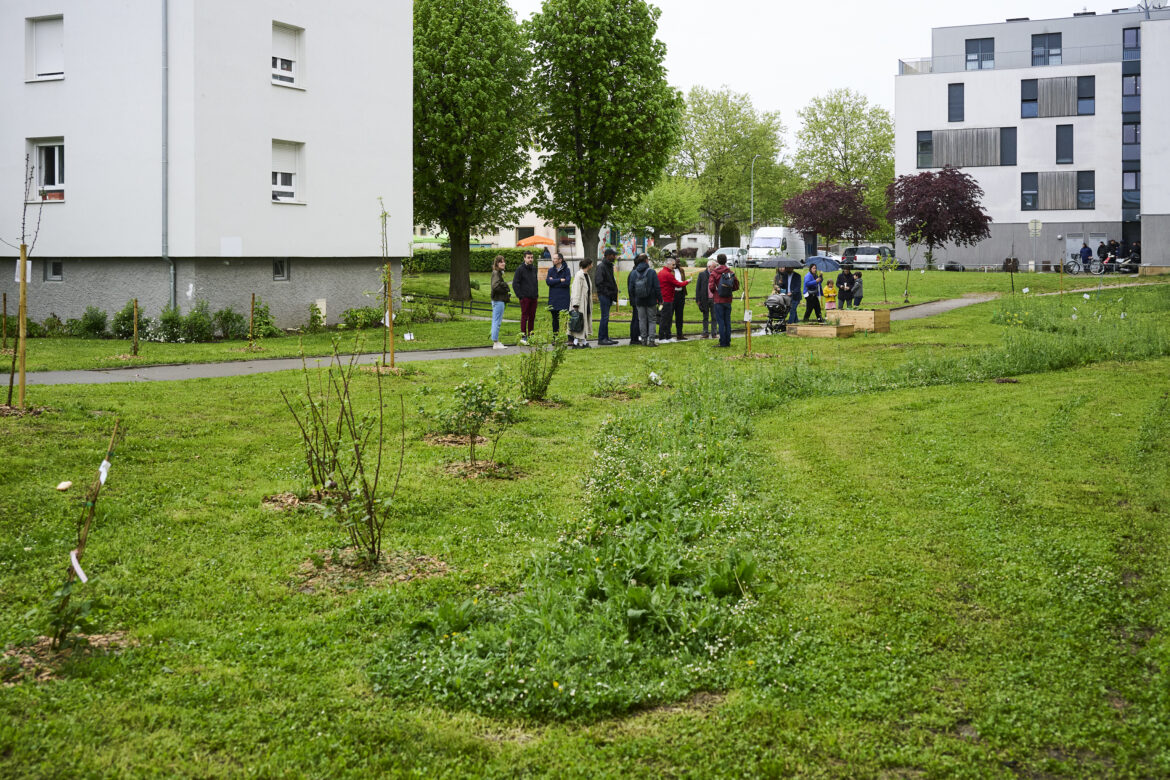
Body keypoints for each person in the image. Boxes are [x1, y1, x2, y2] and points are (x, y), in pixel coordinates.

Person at [629, 253, 661, 346]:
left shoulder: (634, 273)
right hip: (651, 300)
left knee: (641, 320)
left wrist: (635, 298)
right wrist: (660, 299)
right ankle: (651, 340)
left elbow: (631, 288)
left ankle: (643, 340)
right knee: (652, 320)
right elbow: (657, 287)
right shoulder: (651, 272)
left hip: (639, 300)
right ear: (646, 260)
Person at [657, 256, 690, 342]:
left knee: (668, 318)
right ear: (668, 264)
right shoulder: (668, 274)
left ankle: (668, 336)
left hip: (667, 298)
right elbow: (678, 284)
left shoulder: (662, 272)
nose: (674, 266)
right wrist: (687, 281)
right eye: (673, 265)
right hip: (667, 299)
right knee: (665, 318)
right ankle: (662, 337)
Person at [709, 254, 738, 347]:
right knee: (727, 321)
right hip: (728, 300)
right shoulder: (730, 272)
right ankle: (728, 341)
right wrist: (729, 290)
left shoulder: (714, 273)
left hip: (718, 300)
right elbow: (736, 285)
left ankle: (722, 342)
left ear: (717, 261)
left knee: (720, 322)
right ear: (726, 261)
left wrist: (716, 292)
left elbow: (711, 287)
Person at [512, 251, 539, 345]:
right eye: (528, 257)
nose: (530, 259)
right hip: (525, 297)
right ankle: (523, 336)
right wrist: (520, 296)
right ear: (524, 258)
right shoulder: (520, 269)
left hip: (533, 297)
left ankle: (531, 335)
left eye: (532, 257)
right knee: (525, 316)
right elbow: (515, 283)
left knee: (532, 317)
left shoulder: (534, 269)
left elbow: (535, 282)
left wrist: (536, 294)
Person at [595, 248, 620, 346]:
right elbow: (599, 282)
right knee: (604, 317)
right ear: (608, 255)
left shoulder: (608, 266)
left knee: (606, 317)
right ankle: (602, 338)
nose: (615, 257)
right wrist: (608, 293)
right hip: (604, 295)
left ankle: (605, 337)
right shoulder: (602, 267)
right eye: (613, 255)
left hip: (608, 295)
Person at [569, 259, 594, 348]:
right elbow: (576, 290)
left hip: (585, 302)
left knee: (582, 322)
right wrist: (575, 304)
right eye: (591, 264)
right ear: (588, 265)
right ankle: (579, 343)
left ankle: (582, 342)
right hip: (580, 303)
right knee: (579, 322)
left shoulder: (586, 275)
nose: (592, 265)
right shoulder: (579, 275)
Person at [545, 251, 571, 334]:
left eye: (555, 258)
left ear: (560, 260)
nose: (553, 260)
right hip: (554, 299)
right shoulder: (551, 270)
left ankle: (567, 336)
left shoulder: (567, 270)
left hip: (564, 298)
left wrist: (554, 281)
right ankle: (555, 337)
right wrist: (560, 280)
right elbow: (548, 282)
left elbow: (567, 282)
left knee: (566, 319)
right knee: (555, 319)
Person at [489, 255, 510, 350]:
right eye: (501, 262)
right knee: (497, 321)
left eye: (504, 261)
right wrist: (505, 289)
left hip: (498, 300)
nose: (503, 263)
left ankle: (495, 341)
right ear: (497, 263)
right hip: (498, 300)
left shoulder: (498, 273)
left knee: (496, 321)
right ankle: (496, 342)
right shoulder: (496, 273)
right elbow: (495, 286)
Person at [695, 259, 715, 338]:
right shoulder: (702, 274)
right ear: (709, 267)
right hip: (704, 299)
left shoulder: (715, 274)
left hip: (714, 299)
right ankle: (705, 332)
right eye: (714, 267)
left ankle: (714, 333)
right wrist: (698, 300)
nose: (715, 268)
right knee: (705, 317)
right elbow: (698, 288)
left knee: (714, 317)